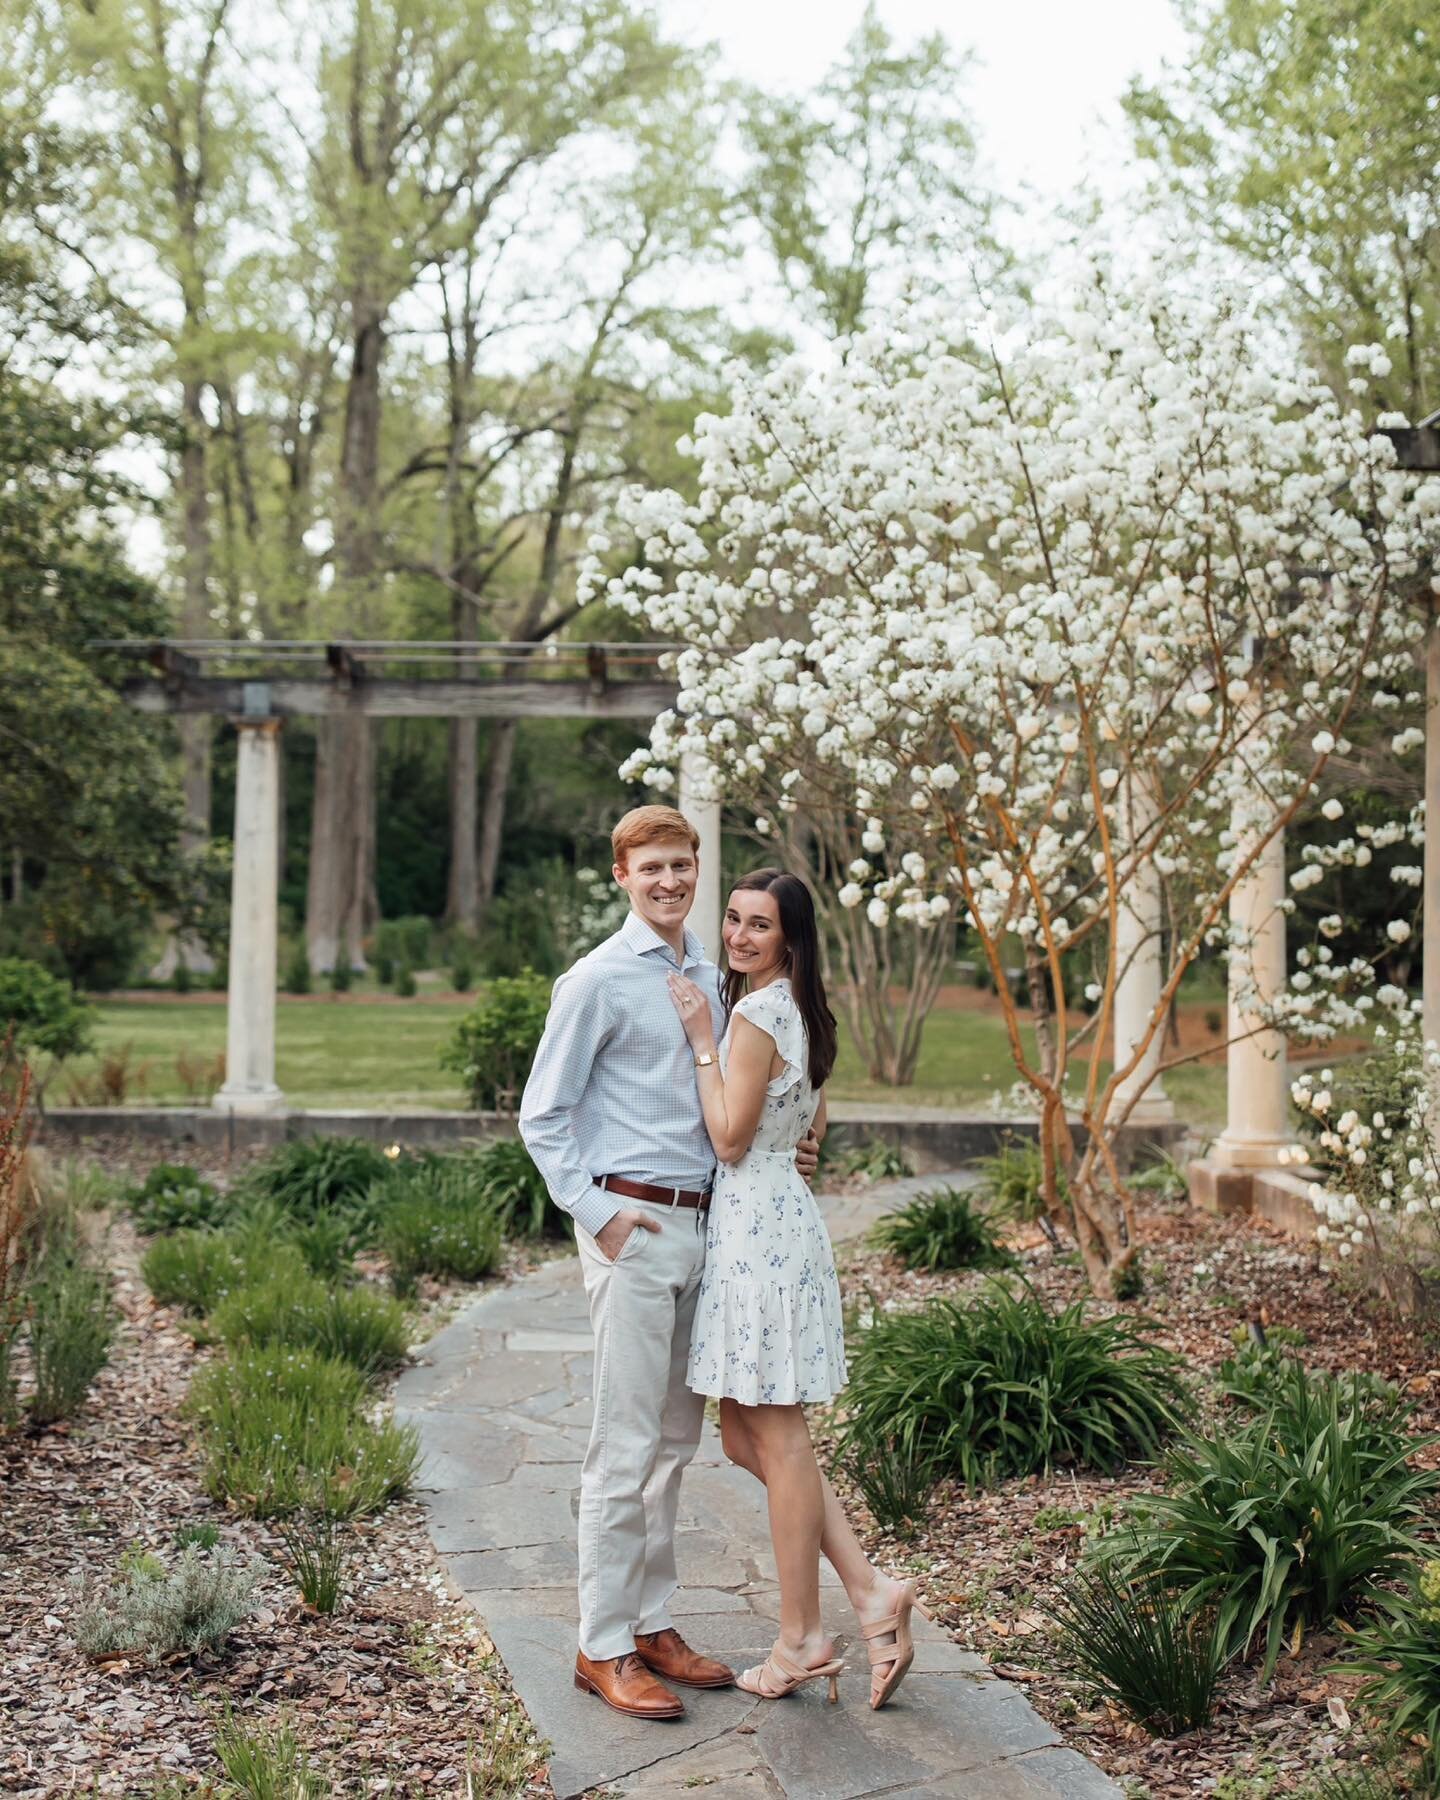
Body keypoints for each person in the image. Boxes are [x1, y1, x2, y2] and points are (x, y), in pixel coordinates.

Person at [518, 806, 819, 1721]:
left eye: (681, 866)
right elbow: (542, 1116)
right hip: (636, 1229)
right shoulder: (597, 981)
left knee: (675, 1445)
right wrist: (602, 1217)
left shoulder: (713, 972)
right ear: (621, 875)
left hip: (712, 1230)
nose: (669, 882)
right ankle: (599, 1645)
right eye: (650, 868)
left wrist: (789, 1150)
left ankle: (651, 1623)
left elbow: (741, 1092)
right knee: (622, 1445)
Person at [666, 867, 927, 1709]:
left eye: (760, 926)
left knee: (775, 1440)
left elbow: (731, 1137)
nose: (740, 937)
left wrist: (705, 1038)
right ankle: (868, 1592)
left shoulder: (750, 1013)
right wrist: (792, 1144)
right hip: (778, 1219)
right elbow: (807, 1122)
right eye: (734, 921)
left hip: (758, 1235)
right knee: (747, 1437)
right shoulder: (803, 1010)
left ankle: (802, 1637)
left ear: (789, 940)